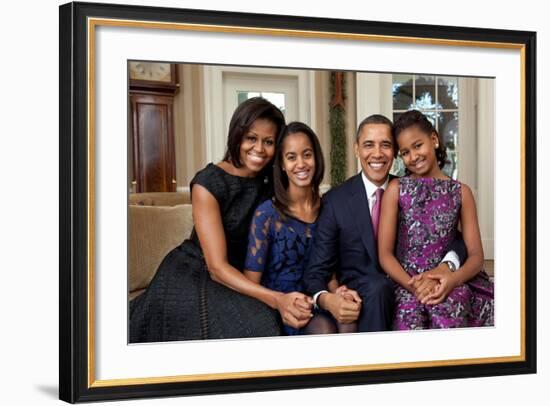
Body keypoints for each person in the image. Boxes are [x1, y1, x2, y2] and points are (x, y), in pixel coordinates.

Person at [129, 97, 287, 342]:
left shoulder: (272, 181)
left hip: (242, 273)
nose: (259, 149)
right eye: (251, 138)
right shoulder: (208, 182)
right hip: (197, 272)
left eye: (269, 142)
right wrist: (275, 298)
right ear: (237, 135)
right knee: (255, 325)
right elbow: (217, 267)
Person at [303, 114, 467, 332]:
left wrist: (448, 265)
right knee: (377, 287)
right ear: (356, 149)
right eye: (369, 145)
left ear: (395, 153)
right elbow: (316, 271)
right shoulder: (335, 201)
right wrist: (329, 298)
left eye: (386, 145)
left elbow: (453, 238)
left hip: (414, 287)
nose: (377, 153)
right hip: (365, 296)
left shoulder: (411, 190)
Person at [378, 110, 494, 329]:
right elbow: (385, 254)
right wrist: (413, 286)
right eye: (405, 152)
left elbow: (477, 256)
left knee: (451, 307)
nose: (413, 157)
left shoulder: (462, 192)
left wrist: (453, 280)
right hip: (407, 282)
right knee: (408, 314)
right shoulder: (396, 189)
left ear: (434, 139)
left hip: (449, 281)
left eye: (418, 146)